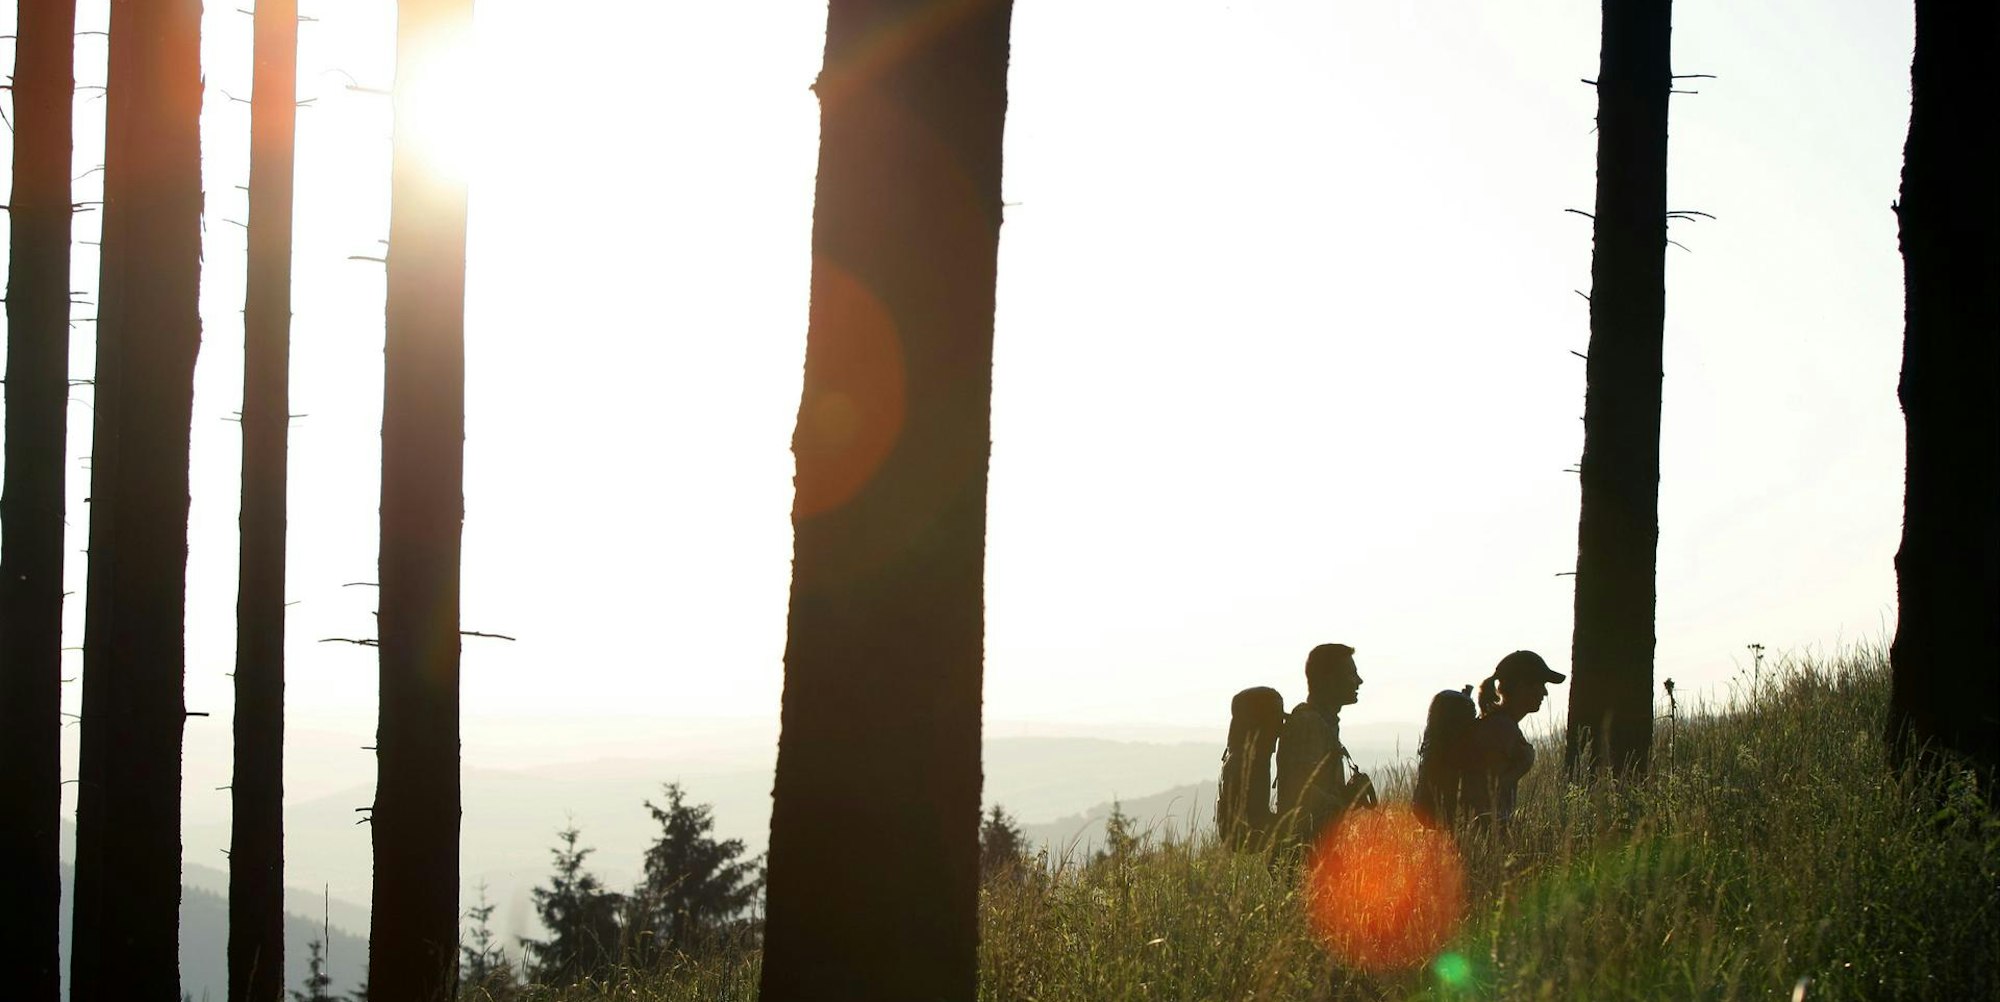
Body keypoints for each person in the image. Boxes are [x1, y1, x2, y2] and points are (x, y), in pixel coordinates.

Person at [1275, 643, 1373, 846]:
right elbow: (1300, 793)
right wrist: (1348, 799)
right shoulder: (1308, 725)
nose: (1359, 681)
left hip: (1314, 853)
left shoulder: (1322, 723)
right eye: (1351, 674)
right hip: (1303, 855)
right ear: (1330, 680)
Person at [1461, 650, 1566, 828]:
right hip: (1482, 833)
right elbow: (1486, 792)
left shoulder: (1498, 725)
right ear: (1521, 686)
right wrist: (1523, 765)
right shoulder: (1501, 729)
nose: (1545, 693)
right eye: (1540, 684)